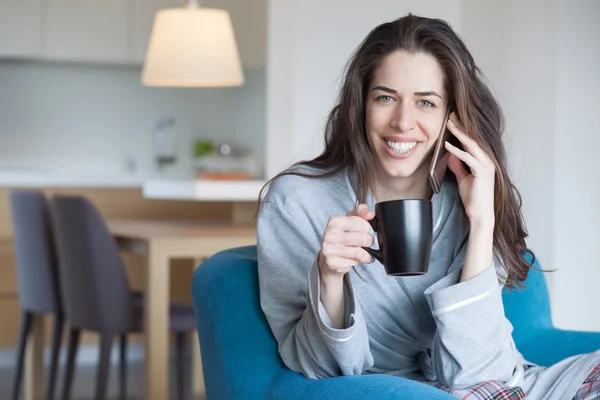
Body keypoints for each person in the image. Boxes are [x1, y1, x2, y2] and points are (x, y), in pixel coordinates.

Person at [256, 14, 600, 400]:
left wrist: (482, 221)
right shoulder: (297, 202)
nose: (403, 122)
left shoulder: (471, 196)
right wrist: (330, 277)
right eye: (386, 97)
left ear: (451, 117)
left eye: (426, 102)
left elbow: (482, 370)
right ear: (361, 105)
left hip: (503, 384)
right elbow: (318, 370)